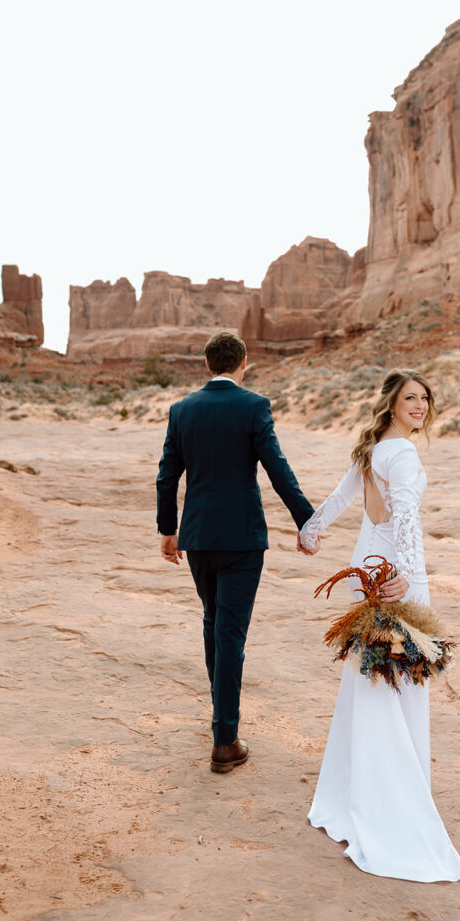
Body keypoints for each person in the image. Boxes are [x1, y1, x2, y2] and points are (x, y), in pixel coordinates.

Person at [299, 368, 460, 882]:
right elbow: (405, 518)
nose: (419, 406)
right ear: (391, 404)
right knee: (400, 683)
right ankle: (392, 798)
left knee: (369, 679)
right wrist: (409, 579)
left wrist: (311, 532)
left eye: (425, 398)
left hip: (364, 568)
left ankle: (357, 789)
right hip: (392, 573)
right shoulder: (403, 454)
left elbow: (338, 500)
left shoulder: (371, 449)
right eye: (410, 398)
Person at [156, 332, 316, 774]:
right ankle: (224, 739)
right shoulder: (253, 406)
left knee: (213, 622)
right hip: (243, 538)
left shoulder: (182, 410)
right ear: (244, 361)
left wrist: (168, 529)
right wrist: (307, 520)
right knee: (229, 633)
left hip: (199, 536)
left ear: (207, 364)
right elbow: (276, 466)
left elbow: (167, 475)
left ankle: (221, 717)